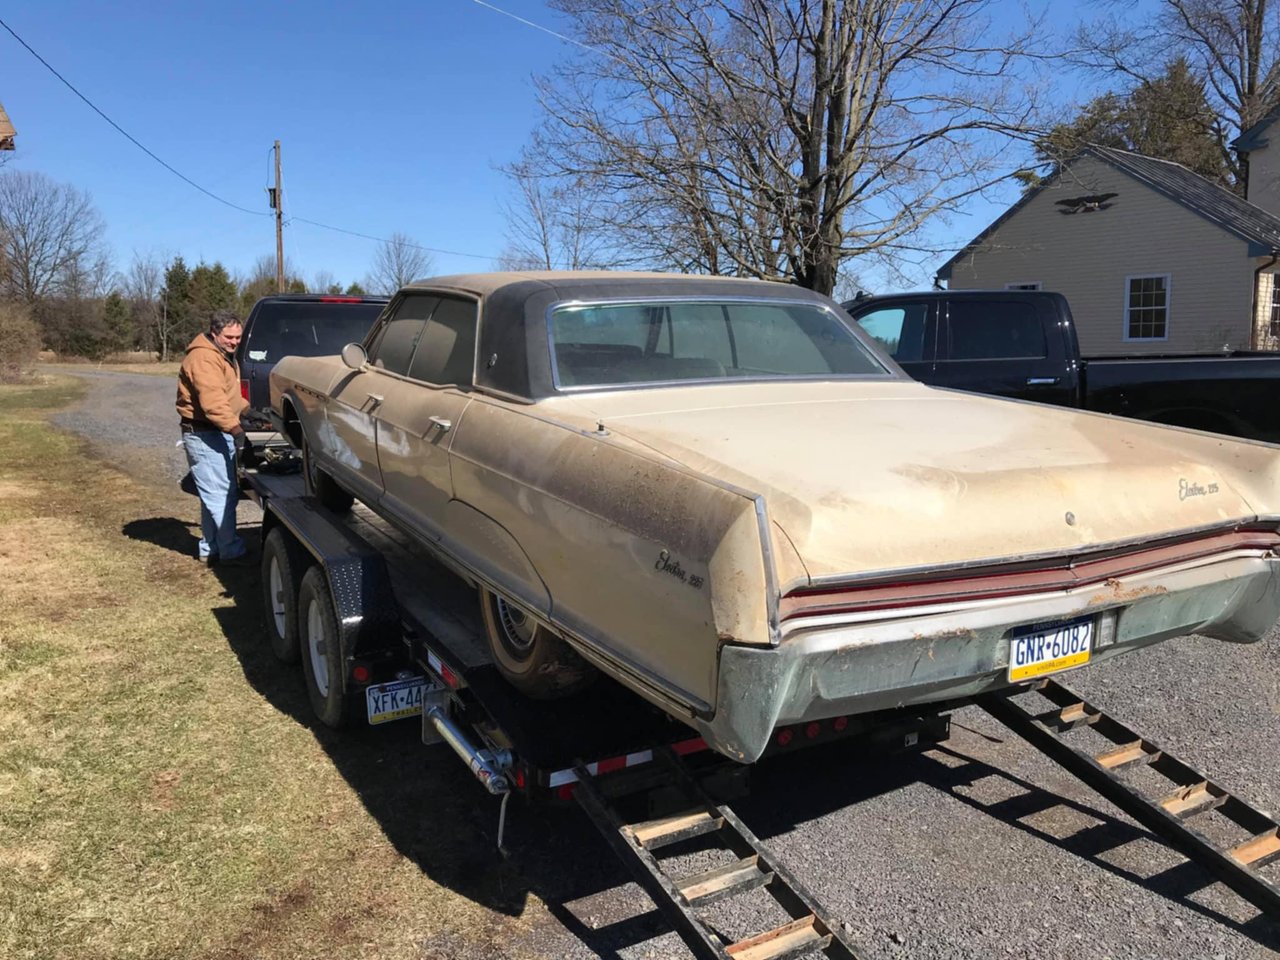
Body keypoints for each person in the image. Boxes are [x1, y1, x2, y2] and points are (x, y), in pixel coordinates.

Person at [176, 309, 258, 567]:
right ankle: (230, 550)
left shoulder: (220, 354)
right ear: (215, 333)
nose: (234, 342)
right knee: (221, 494)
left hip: (213, 432)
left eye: (238, 337)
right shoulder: (203, 358)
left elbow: (228, 395)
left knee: (213, 493)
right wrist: (237, 431)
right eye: (229, 337)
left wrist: (247, 410)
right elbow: (212, 403)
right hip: (203, 434)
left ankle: (210, 548)